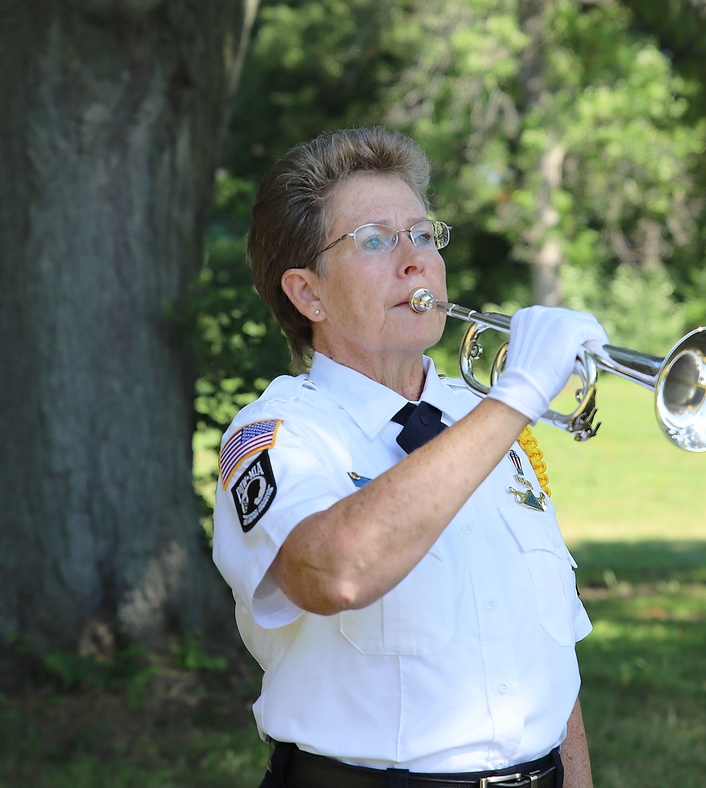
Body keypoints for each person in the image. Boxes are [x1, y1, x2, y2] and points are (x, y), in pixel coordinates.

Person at [212, 126, 608, 788]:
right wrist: (518, 396)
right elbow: (336, 573)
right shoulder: (279, 432)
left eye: (423, 234)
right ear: (309, 295)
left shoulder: (486, 423)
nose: (413, 259)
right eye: (374, 240)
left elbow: (548, 658)